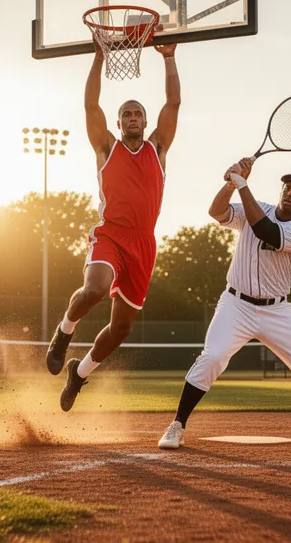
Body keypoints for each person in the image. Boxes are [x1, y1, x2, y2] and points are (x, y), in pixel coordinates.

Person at [158, 163, 291, 449]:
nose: (290, 193)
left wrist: (242, 184)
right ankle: (177, 425)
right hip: (235, 304)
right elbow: (216, 212)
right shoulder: (255, 206)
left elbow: (267, 231)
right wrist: (230, 185)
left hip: (276, 310)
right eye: (287, 187)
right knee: (212, 357)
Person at [44, 42, 181, 412]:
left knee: (121, 329)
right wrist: (100, 55)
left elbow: (174, 105)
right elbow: (91, 106)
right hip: (110, 235)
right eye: (127, 114)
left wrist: (169, 57)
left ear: (145, 121)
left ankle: (80, 373)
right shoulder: (106, 147)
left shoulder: (158, 148)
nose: (133, 117)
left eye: (138, 113)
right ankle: (63, 333)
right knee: (95, 288)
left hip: (143, 245)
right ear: (118, 124)